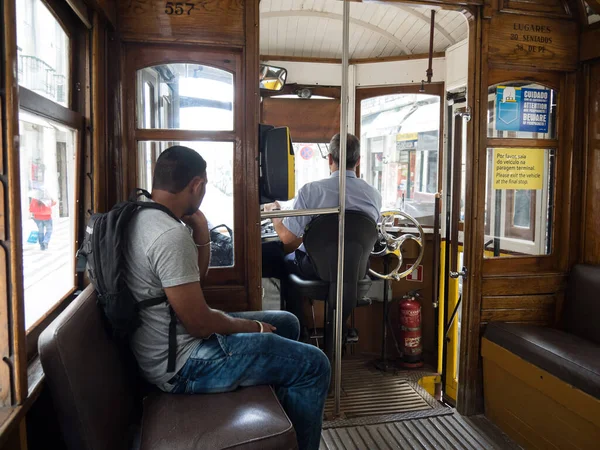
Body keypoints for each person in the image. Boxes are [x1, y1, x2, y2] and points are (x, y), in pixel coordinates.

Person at [123, 146, 330, 450]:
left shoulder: (144, 215)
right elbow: (200, 324)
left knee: (287, 323)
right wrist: (250, 328)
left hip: (165, 348)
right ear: (197, 185)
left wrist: (199, 231)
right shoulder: (168, 235)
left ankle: (285, 428)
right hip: (183, 367)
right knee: (316, 365)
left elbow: (193, 280)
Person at [262, 133, 382, 338]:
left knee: (282, 262)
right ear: (359, 161)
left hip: (315, 270)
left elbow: (287, 238)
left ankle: (300, 332)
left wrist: (274, 214)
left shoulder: (311, 191)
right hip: (356, 270)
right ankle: (339, 330)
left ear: (329, 159)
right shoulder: (373, 195)